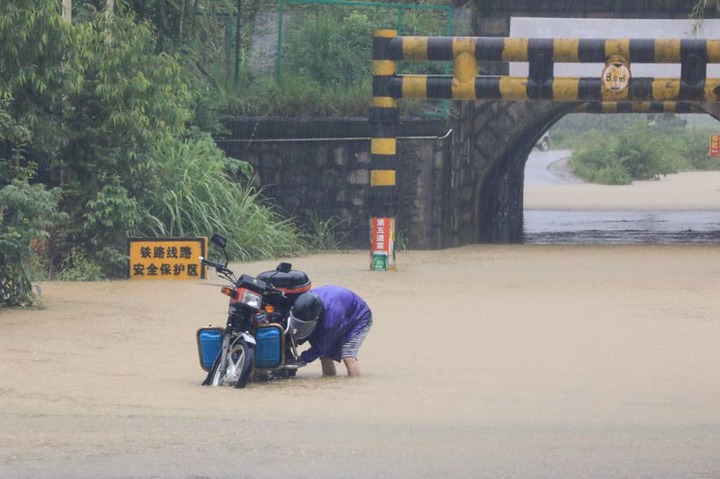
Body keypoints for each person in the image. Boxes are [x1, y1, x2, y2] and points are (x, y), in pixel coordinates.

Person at [288, 285, 373, 377]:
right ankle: (329, 382)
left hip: (358, 317)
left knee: (347, 354)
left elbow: (322, 345)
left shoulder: (331, 320)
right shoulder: (302, 302)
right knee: (325, 355)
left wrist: (302, 359)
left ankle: (355, 385)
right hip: (337, 309)